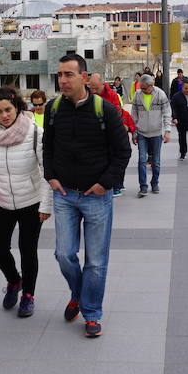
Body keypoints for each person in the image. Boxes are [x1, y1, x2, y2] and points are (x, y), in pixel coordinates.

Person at [44, 54, 131, 337]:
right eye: (60, 75)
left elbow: (123, 151)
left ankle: (91, 313)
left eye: (68, 74)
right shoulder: (53, 108)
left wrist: (106, 183)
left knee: (95, 260)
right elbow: (47, 146)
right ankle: (79, 294)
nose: (63, 80)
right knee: (64, 254)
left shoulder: (104, 109)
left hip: (97, 197)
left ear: (84, 76)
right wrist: (51, 176)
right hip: (65, 194)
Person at [0, 88, 52, 318]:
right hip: (0, 200)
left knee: (28, 250)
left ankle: (28, 295)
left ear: (17, 107)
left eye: (8, 109)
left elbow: (45, 169)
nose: (4, 115)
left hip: (31, 199)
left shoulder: (34, 132)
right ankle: (13, 281)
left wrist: (46, 205)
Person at [90, 73, 136, 197]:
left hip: (111, 132)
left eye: (95, 88)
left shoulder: (112, 95)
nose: (93, 90)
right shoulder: (90, 94)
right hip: (96, 134)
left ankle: (117, 185)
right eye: (91, 88)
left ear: (102, 83)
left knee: (116, 158)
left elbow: (116, 115)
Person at [131, 73, 172, 196]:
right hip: (142, 133)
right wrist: (134, 132)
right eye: (141, 88)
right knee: (142, 160)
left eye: (144, 88)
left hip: (156, 133)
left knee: (156, 161)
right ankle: (143, 186)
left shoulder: (160, 94)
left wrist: (168, 130)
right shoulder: (138, 95)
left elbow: (167, 113)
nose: (142, 90)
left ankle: (155, 183)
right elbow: (134, 115)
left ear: (151, 86)